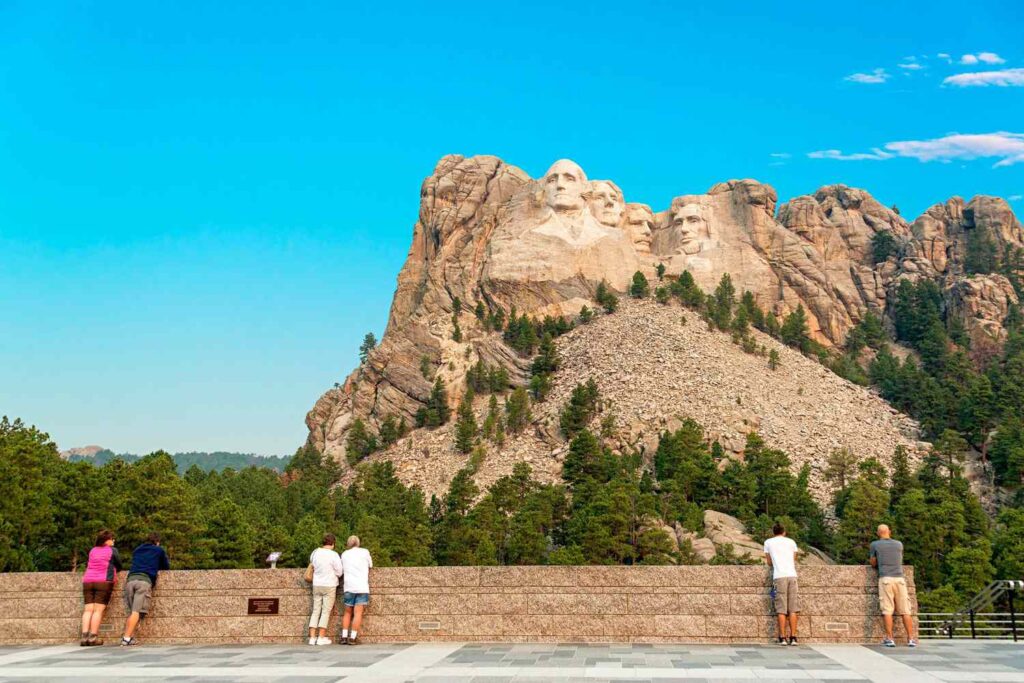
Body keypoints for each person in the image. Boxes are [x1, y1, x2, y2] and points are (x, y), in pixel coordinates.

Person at [870, 524, 917, 647]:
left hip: (885, 578)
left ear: (878, 533)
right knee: (905, 610)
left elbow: (873, 562)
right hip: (900, 579)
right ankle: (911, 639)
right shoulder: (899, 544)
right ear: (889, 532)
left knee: (887, 610)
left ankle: (890, 638)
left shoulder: (875, 544)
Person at [120, 532, 170, 646]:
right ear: (157, 542)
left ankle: (129, 637)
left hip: (130, 581)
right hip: (144, 581)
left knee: (133, 612)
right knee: (136, 612)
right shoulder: (159, 550)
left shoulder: (137, 550)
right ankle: (126, 638)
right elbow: (166, 567)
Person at [80, 529, 122, 646]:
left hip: (88, 581)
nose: (113, 541)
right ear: (106, 540)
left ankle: (84, 637)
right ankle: (92, 638)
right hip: (103, 581)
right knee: (98, 611)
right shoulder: (112, 550)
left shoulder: (93, 550)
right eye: (112, 539)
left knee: (88, 610)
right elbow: (119, 565)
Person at [763, 522, 801, 646]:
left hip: (779, 576)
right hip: (792, 575)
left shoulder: (768, 542)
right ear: (784, 532)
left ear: (773, 532)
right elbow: (793, 559)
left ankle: (783, 637)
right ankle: (793, 637)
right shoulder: (791, 542)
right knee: (793, 608)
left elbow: (769, 562)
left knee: (781, 609)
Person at [308, 533, 343, 645]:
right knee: (325, 611)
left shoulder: (315, 552)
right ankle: (321, 637)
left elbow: (312, 565)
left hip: (316, 584)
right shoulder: (334, 555)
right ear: (333, 543)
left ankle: (312, 638)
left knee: (315, 610)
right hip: (329, 585)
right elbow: (339, 572)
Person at [339, 535, 373, 645]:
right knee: (358, 613)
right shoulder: (365, 552)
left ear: (348, 544)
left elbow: (341, 569)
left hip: (349, 586)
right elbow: (370, 565)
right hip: (362, 586)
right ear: (358, 543)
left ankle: (344, 637)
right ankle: (352, 638)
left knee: (347, 612)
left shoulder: (344, 554)